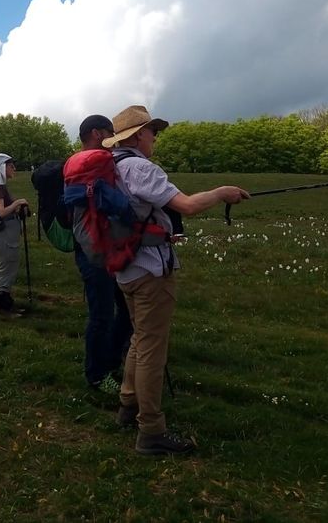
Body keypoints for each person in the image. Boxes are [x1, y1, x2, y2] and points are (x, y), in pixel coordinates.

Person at [101, 105, 249, 455]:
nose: (156, 138)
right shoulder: (140, 167)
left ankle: (127, 406)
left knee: (140, 338)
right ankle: (150, 431)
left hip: (125, 267)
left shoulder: (113, 166)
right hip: (150, 270)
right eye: (153, 131)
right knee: (153, 348)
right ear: (138, 135)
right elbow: (187, 206)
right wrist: (222, 192)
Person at [74, 115, 135, 392]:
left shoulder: (77, 163)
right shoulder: (98, 162)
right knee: (102, 313)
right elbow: (117, 203)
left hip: (89, 244)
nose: (114, 137)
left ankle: (111, 361)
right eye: (111, 132)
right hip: (96, 247)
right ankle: (97, 375)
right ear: (98, 133)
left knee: (117, 308)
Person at [0, 153, 29, 314]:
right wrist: (18, 202)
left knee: (10, 264)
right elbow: (1, 212)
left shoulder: (0, 185)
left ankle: (6, 302)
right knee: (5, 266)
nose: (14, 169)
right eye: (11, 166)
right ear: (2, 167)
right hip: (3, 232)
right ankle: (3, 304)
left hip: (7, 232)